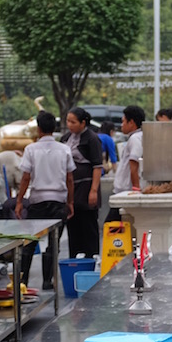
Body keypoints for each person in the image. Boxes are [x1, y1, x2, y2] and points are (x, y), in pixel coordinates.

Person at [15, 111, 75, 289]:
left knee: (30, 241)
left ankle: (22, 280)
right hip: (58, 201)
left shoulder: (31, 149)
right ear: (54, 128)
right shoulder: (64, 149)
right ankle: (47, 281)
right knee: (53, 243)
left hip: (37, 202)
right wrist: (70, 202)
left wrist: (19, 201)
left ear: (39, 129)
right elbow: (70, 179)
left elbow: (26, 177)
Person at [60, 107, 104, 259]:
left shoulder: (91, 138)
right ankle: (74, 257)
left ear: (83, 123)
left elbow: (97, 166)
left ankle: (92, 257)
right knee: (73, 225)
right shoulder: (65, 138)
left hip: (86, 187)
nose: (69, 125)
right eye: (68, 121)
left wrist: (94, 190)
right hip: (71, 187)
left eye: (73, 122)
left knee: (88, 224)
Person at [105, 105, 145, 224]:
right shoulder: (137, 137)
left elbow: (134, 165)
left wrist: (136, 190)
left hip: (126, 193)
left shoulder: (135, 139)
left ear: (131, 122)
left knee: (111, 226)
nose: (121, 125)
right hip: (125, 192)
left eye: (123, 121)